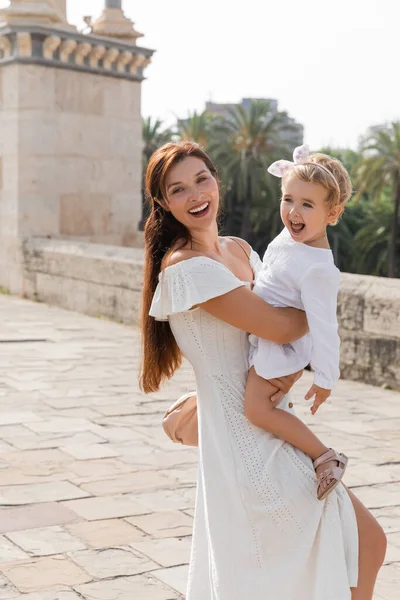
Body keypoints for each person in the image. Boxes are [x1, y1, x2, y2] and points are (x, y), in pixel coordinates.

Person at [140, 141, 386, 600]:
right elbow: (279, 325)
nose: (195, 195)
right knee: (351, 548)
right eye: (178, 189)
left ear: (217, 179)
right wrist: (318, 302)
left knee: (361, 546)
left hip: (273, 428)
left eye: (201, 179)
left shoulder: (240, 250)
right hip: (247, 446)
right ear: (164, 203)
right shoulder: (186, 266)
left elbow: (258, 339)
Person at [245, 144, 350, 501]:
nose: (294, 211)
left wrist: (324, 378)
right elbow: (273, 271)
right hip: (265, 328)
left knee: (257, 408)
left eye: (307, 204)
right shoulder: (290, 238)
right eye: (289, 199)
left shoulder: (320, 268)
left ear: (332, 213)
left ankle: (325, 457)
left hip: (283, 346)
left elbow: (324, 326)